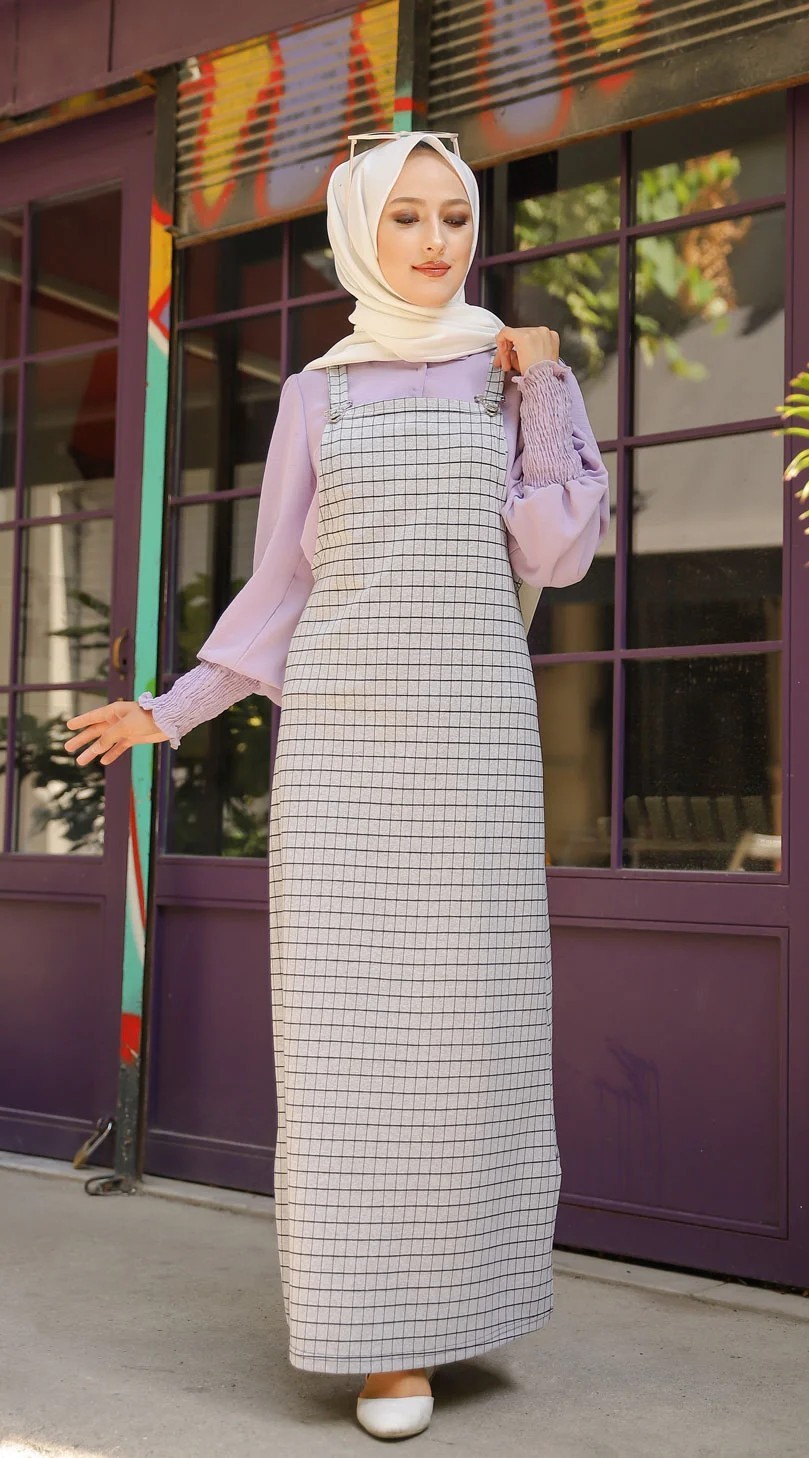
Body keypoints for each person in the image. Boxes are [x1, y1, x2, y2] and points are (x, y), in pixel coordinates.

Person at [63, 130, 609, 1441]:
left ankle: (463, 1304)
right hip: (344, 758)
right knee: (351, 1048)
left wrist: (544, 386)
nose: (435, 241)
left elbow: (557, 551)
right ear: (362, 232)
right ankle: (380, 1342)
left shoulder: (513, 373)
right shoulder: (319, 393)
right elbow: (280, 588)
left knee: (471, 1035)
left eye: (455, 217)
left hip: (474, 751)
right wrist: (168, 709)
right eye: (406, 216)